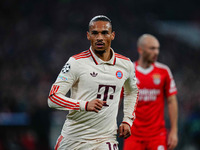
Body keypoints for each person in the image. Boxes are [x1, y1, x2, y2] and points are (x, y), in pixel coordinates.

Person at [47, 15, 138, 150]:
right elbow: (53, 99)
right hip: (75, 139)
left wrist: (127, 120)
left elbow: (132, 91)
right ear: (88, 36)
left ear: (112, 35)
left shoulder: (125, 64)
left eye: (104, 33)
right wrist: (84, 105)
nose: (99, 37)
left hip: (106, 139)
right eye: (95, 33)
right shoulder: (76, 62)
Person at [123, 34, 178, 150]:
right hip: (133, 135)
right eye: (152, 48)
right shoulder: (128, 71)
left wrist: (174, 130)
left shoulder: (164, 71)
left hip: (157, 135)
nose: (156, 52)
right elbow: (116, 99)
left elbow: (172, 101)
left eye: (157, 48)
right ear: (140, 50)